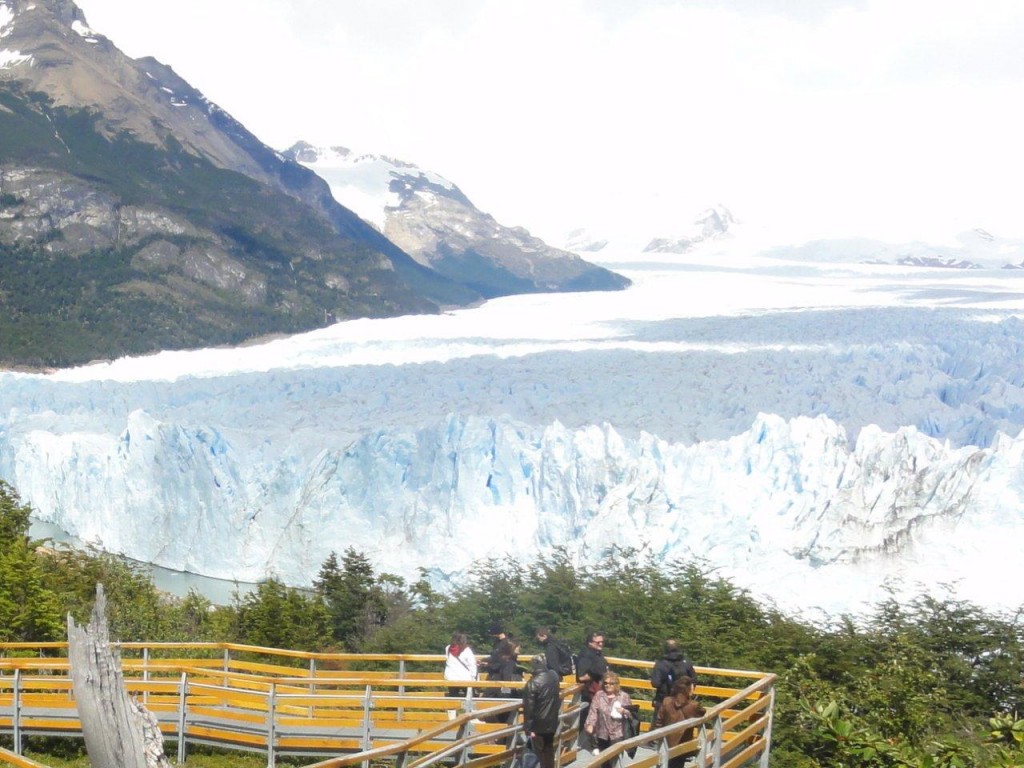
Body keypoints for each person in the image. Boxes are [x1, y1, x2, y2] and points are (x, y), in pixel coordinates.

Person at [652, 676, 705, 768]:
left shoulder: (666, 701)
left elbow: (659, 720)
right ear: (688, 689)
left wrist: (656, 737)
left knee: (663, 764)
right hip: (682, 742)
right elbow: (703, 712)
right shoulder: (694, 705)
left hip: (666, 741)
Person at [584, 671, 633, 768]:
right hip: (602, 733)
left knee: (614, 760)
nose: (608, 685)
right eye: (605, 683)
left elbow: (631, 715)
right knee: (604, 761)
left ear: (616, 684)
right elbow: (593, 711)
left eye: (611, 683)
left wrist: (624, 711)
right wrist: (590, 724)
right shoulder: (599, 695)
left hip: (618, 733)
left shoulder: (624, 696)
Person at [522, 654, 561, 768]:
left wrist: (528, 728)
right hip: (552, 720)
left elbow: (528, 708)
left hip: (537, 724)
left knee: (537, 754)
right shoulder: (554, 677)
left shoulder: (532, 683)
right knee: (549, 750)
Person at [575, 631, 608, 751]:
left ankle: (585, 744)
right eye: (597, 642)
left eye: (602, 641)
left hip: (596, 692)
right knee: (591, 718)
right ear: (590, 642)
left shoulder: (597, 654)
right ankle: (588, 745)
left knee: (588, 718)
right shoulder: (586, 655)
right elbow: (581, 676)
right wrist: (596, 675)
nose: (601, 643)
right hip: (589, 692)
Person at [650, 639, 697, 716]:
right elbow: (694, 679)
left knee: (659, 726)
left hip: (663, 702)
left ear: (665, 649)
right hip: (683, 703)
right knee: (682, 726)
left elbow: (655, 683)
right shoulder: (686, 663)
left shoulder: (661, 664)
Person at [444, 631, 477, 701]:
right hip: (465, 678)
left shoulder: (448, 648)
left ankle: (452, 711)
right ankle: (469, 711)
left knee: (453, 697)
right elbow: (472, 664)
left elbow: (447, 659)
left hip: (451, 677)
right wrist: (473, 677)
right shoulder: (467, 650)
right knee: (470, 697)